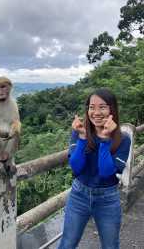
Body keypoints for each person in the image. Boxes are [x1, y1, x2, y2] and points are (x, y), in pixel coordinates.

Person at [57, 88, 131, 249]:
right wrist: (82, 138)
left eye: (102, 107)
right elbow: (76, 167)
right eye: (92, 107)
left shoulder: (123, 139)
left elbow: (106, 173)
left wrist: (104, 141)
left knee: (110, 245)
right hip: (79, 195)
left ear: (112, 109)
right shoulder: (79, 132)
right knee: (67, 243)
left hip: (108, 199)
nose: (96, 112)